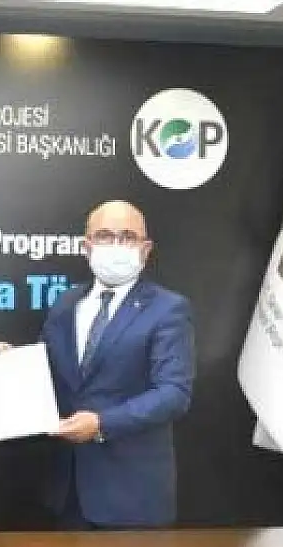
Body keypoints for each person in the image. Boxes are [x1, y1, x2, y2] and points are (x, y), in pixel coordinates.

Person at [13, 200, 194, 529]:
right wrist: (10, 364)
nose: (116, 245)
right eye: (105, 236)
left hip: (132, 496)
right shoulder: (66, 303)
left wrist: (101, 423)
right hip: (67, 492)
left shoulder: (168, 309)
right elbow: (46, 372)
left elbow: (173, 393)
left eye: (128, 237)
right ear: (87, 247)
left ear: (145, 249)